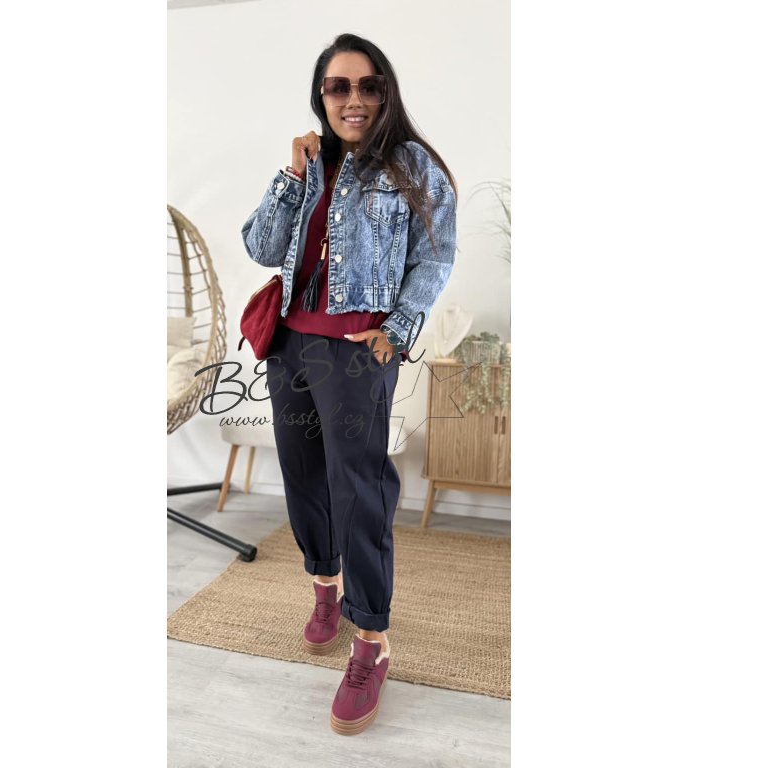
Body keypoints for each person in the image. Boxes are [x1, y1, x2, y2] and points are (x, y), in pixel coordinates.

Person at [241, 32, 457, 736]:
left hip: (358, 352)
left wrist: (399, 327)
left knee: (358, 488)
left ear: (386, 91)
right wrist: (292, 174)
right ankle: (325, 586)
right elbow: (262, 247)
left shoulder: (412, 165)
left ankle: (371, 642)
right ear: (322, 96)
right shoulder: (312, 163)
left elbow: (435, 257)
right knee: (304, 475)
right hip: (292, 345)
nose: (353, 99)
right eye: (339, 87)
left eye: (368, 85)